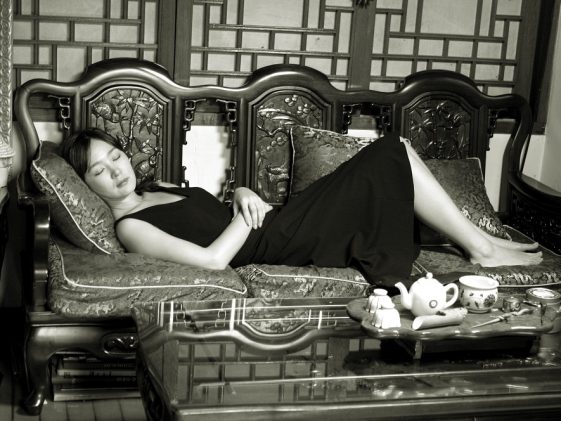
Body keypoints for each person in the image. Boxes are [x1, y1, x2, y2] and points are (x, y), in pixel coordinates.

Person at [59, 128, 542, 287]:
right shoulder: (131, 227)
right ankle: (481, 247)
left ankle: (482, 239)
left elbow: (213, 210)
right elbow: (212, 260)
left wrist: (242, 192)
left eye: (115, 156)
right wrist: (244, 216)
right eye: (99, 170)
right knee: (389, 154)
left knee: (393, 152)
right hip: (273, 240)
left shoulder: (159, 186)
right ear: (87, 184)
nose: (115, 171)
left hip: (275, 219)